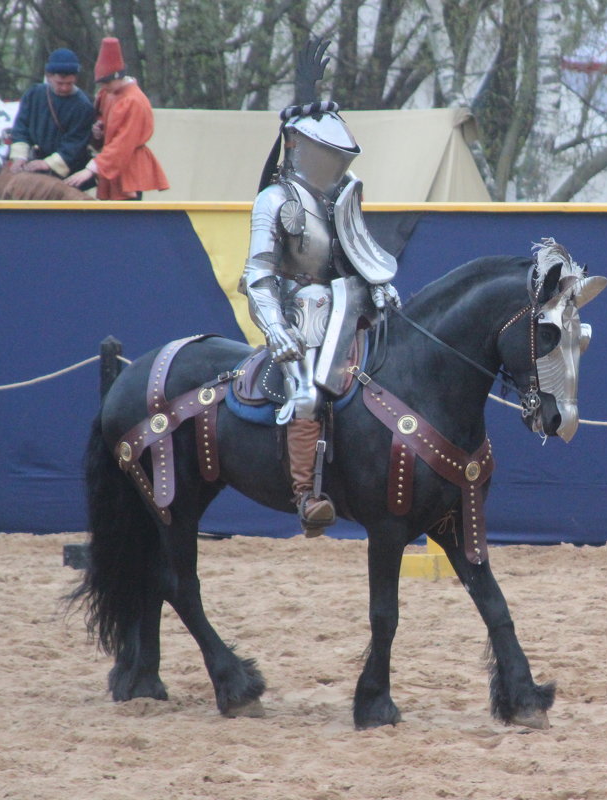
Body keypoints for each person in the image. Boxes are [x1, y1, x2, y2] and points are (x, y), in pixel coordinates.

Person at [239, 37, 400, 535]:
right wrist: (277, 330)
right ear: (295, 145)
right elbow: (258, 277)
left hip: (346, 309)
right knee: (307, 396)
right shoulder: (274, 200)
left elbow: (357, 257)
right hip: (298, 313)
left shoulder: (340, 201)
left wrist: (380, 290)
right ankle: (307, 496)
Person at [64, 37, 167, 199]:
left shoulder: (133, 101)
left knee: (127, 219)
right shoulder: (107, 93)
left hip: (127, 166)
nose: (103, 88)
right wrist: (98, 129)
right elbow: (103, 119)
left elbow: (124, 142)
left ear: (118, 77)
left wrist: (92, 168)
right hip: (110, 163)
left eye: (107, 83)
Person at [8, 48, 95, 181]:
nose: (65, 88)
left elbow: (75, 144)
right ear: (49, 77)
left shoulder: (83, 106)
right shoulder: (33, 94)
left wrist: (48, 164)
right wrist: (20, 157)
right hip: (33, 162)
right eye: (60, 83)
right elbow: (21, 127)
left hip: (69, 171)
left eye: (69, 83)